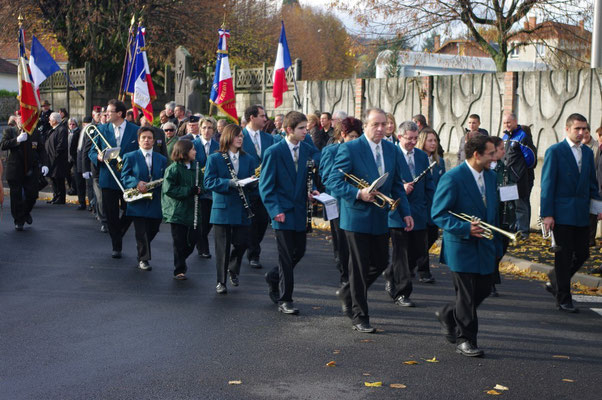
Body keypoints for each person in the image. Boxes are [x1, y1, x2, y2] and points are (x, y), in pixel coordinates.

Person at [329, 108, 412, 333]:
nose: (380, 129)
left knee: (380, 262)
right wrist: (358, 194)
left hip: (380, 216)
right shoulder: (350, 148)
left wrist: (405, 212)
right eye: (375, 124)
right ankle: (360, 315)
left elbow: (396, 184)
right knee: (358, 267)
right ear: (365, 125)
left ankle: (349, 293)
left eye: (384, 124)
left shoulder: (391, 150)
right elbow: (333, 181)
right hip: (355, 217)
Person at [432, 135, 500, 357]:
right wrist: (464, 228)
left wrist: (498, 244)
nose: (494, 157)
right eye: (490, 154)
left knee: (483, 289)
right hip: (461, 246)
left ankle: (448, 314)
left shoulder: (491, 177)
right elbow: (438, 214)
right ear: (476, 155)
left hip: (486, 246)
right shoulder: (453, 178)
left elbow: (493, 213)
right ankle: (466, 339)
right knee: (467, 296)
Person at [260, 111, 319, 315]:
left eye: (306, 128)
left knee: (299, 251)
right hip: (282, 212)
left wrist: (312, 191)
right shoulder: (274, 152)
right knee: (285, 256)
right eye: (302, 128)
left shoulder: (307, 150)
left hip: (300, 210)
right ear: (289, 130)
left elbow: (307, 177)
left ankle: (274, 276)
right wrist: (275, 210)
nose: (306, 131)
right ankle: (286, 299)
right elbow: (266, 186)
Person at [541, 113, 602, 313]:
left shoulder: (586, 152)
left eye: (585, 128)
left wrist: (598, 206)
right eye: (578, 128)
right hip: (561, 213)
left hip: (582, 212)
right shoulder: (555, 151)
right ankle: (564, 298)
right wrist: (547, 214)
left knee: (583, 253)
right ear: (567, 129)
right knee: (564, 257)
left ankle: (556, 278)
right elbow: (547, 185)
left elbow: (592, 182)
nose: (582, 132)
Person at [385, 121, 435, 307]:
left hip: (419, 212)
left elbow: (428, 184)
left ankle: (391, 273)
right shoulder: (390, 153)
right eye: (409, 138)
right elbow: (383, 182)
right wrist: (400, 188)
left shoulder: (422, 156)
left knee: (418, 252)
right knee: (401, 254)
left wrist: (432, 206)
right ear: (400, 137)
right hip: (398, 211)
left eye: (415, 138)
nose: (413, 142)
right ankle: (402, 293)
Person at [204, 124, 258, 293]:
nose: (240, 138)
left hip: (242, 208)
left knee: (242, 243)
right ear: (228, 137)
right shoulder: (215, 158)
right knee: (222, 247)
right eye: (237, 136)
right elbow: (208, 182)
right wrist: (228, 183)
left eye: (242, 136)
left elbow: (252, 184)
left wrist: (252, 182)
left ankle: (233, 268)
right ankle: (221, 282)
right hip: (222, 208)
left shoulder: (248, 158)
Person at [89, 99, 139, 258]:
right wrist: (98, 157)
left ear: (119, 113)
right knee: (110, 214)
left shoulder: (135, 129)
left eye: (109, 111)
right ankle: (116, 245)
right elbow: (91, 151)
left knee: (131, 209)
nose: (106, 114)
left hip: (128, 178)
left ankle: (119, 232)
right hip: (108, 177)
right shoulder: (101, 129)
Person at [320, 117, 363, 287]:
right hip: (336, 201)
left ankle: (352, 270)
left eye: (356, 137)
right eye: (351, 136)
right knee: (341, 239)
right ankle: (344, 273)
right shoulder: (331, 151)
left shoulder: (360, 151)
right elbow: (325, 177)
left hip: (356, 200)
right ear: (343, 135)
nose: (354, 140)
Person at [120, 127, 167, 271]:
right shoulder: (130, 156)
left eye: (149, 138)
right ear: (139, 140)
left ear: (154, 141)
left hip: (155, 200)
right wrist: (136, 182)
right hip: (137, 199)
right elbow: (125, 176)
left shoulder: (162, 159)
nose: (146, 140)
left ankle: (142, 246)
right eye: (143, 138)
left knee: (153, 228)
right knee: (141, 231)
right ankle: (143, 258)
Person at [161, 139, 202, 280]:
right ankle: (179, 269)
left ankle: (181, 259)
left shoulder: (196, 168)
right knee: (179, 242)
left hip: (193, 210)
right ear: (184, 152)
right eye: (192, 150)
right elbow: (168, 189)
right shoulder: (173, 169)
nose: (195, 152)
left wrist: (201, 189)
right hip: (177, 212)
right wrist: (189, 191)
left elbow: (202, 184)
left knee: (194, 239)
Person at [0, 118, 48, 230]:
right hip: (15, 168)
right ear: (16, 122)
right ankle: (19, 220)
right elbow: (3, 145)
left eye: (25, 120)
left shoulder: (34, 132)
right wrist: (17, 140)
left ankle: (26, 212)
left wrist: (45, 164)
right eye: (20, 120)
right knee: (16, 196)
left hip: (31, 168)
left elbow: (41, 149)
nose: (22, 122)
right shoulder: (10, 131)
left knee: (32, 194)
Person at [242, 105, 274, 269]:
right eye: (262, 116)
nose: (265, 119)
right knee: (246, 223)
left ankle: (253, 249)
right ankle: (249, 251)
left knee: (261, 222)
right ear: (252, 117)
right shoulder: (240, 136)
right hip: (246, 187)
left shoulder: (268, 138)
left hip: (264, 187)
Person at [502, 112, 536, 237]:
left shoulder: (522, 136)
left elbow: (531, 158)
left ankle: (523, 232)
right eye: (505, 122)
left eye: (509, 122)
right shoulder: (504, 137)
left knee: (521, 205)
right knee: (509, 205)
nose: (507, 125)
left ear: (515, 122)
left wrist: (520, 171)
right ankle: (512, 230)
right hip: (507, 178)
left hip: (519, 179)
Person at [488, 136, 513, 297]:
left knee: (501, 246)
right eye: (501, 148)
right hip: (488, 214)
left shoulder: (505, 168)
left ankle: (491, 277)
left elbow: (510, 192)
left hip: (502, 213)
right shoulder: (484, 168)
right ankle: (490, 282)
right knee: (490, 247)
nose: (504, 151)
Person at [417, 128, 446, 257]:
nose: (433, 143)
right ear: (422, 141)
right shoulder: (416, 159)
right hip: (420, 205)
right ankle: (422, 270)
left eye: (435, 140)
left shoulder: (440, 161)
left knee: (432, 235)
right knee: (420, 239)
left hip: (434, 205)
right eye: (430, 141)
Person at [193, 117, 219, 258]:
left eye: (209, 128)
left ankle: (200, 241)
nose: (206, 131)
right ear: (200, 128)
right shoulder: (193, 144)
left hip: (213, 188)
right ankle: (203, 247)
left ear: (213, 130)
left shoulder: (218, 146)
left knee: (210, 220)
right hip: (199, 187)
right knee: (202, 219)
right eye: (204, 127)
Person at [581, 124, 599, 247]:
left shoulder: (596, 147)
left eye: (586, 132)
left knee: (593, 214)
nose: (584, 135)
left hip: (593, 182)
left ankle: (590, 238)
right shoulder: (578, 146)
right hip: (581, 184)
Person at [45, 112, 69, 205]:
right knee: (53, 179)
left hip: (58, 160)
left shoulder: (62, 129)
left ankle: (60, 197)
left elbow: (61, 144)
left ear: (55, 120)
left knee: (59, 179)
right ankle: (55, 196)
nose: (49, 121)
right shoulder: (53, 129)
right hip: (51, 159)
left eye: (50, 119)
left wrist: (55, 155)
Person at [68, 118, 86, 210]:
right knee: (75, 179)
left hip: (77, 159)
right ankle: (79, 198)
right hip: (70, 159)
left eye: (73, 124)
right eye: (70, 124)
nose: (71, 126)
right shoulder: (69, 133)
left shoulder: (78, 133)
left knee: (80, 181)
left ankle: (82, 202)